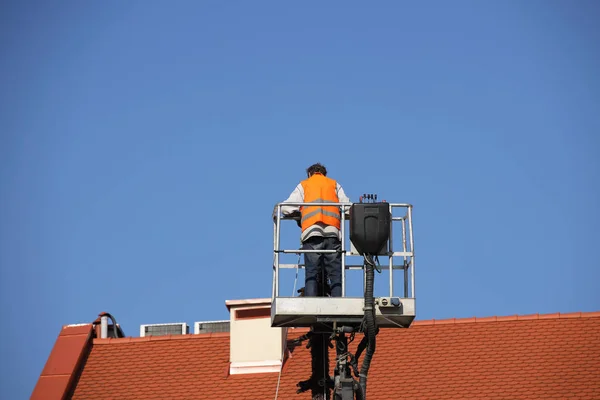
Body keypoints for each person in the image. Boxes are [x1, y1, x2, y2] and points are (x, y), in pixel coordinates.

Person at [274, 163, 351, 297]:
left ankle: (311, 300)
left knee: (311, 273)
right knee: (335, 274)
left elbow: (286, 208)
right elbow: (349, 208)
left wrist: (298, 213)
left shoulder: (305, 184)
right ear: (324, 173)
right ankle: (338, 303)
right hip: (333, 234)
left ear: (310, 173)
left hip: (311, 234)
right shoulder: (333, 184)